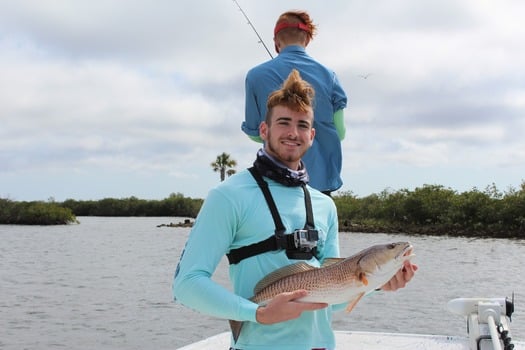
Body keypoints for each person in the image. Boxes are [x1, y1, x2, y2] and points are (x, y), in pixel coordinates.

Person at [173, 70, 417, 350]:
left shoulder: (324, 205)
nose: (293, 133)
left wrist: (377, 285)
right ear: (264, 130)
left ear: (312, 135)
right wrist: (256, 313)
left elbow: (330, 303)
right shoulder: (228, 196)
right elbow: (187, 284)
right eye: (283, 122)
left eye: (302, 125)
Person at [242, 10, 348, 196]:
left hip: (273, 182)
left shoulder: (255, 76)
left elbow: (255, 133)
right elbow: (340, 132)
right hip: (320, 185)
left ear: (276, 43)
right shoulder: (329, 77)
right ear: (307, 39)